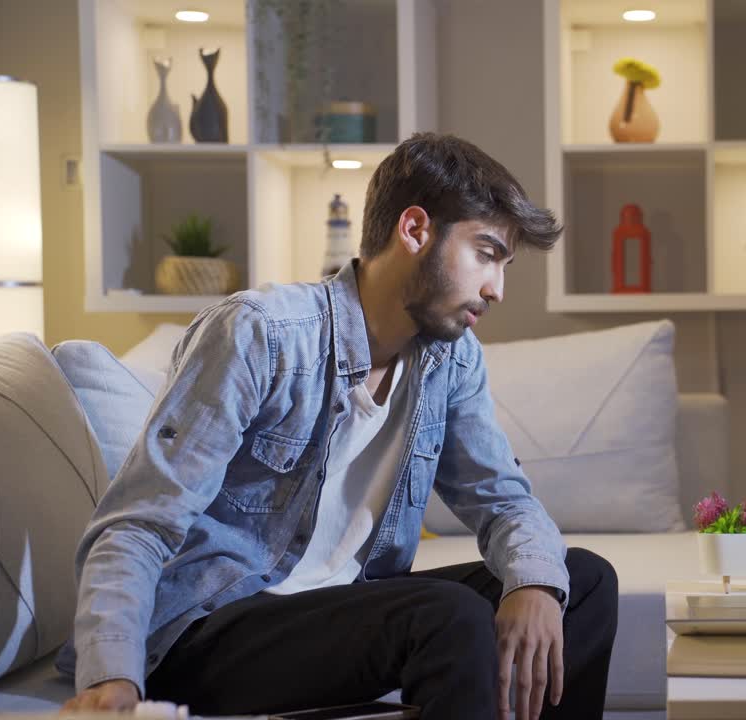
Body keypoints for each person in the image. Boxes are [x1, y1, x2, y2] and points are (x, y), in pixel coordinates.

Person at [57, 132, 619, 720]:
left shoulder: (452, 358)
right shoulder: (260, 334)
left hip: (335, 619)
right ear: (414, 230)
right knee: (449, 615)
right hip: (208, 630)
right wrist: (113, 677)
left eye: (504, 264)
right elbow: (139, 523)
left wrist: (533, 585)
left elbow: (502, 499)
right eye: (485, 253)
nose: (496, 289)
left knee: (580, 582)